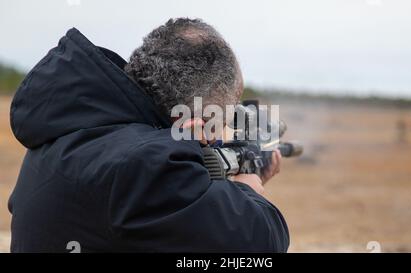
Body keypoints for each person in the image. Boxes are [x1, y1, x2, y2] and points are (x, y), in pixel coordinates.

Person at [8, 18, 289, 252]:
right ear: (192, 123)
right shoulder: (148, 166)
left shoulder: (63, 141)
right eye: (220, 119)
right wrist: (249, 190)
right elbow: (258, 244)